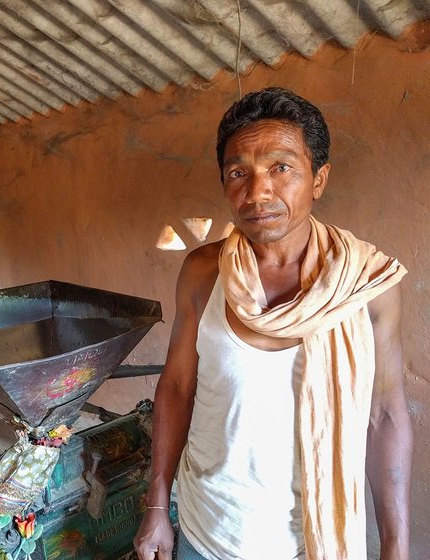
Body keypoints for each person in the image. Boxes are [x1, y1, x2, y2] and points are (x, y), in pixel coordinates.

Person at [133, 87, 412, 560]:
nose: (257, 192)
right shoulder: (204, 272)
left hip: (312, 541)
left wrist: (396, 545)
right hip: (207, 531)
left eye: (281, 168)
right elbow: (178, 386)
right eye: (237, 172)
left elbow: (384, 414)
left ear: (318, 178)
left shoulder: (367, 286)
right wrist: (158, 504)